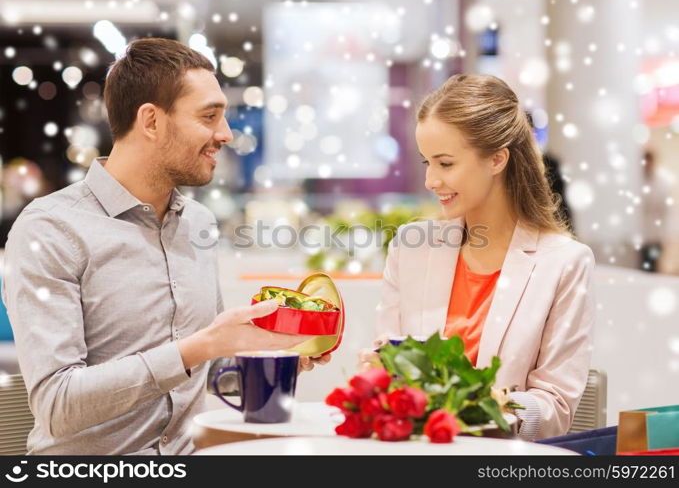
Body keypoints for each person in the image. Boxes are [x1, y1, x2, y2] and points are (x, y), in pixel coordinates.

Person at [1, 38, 327, 455]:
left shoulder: (197, 222)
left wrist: (262, 359)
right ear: (151, 121)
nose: (225, 134)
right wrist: (202, 346)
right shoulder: (50, 229)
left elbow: (201, 375)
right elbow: (58, 405)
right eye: (209, 117)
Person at [363, 74, 596, 441]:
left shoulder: (564, 262)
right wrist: (378, 373)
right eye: (427, 162)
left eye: (445, 163)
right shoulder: (412, 247)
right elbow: (387, 356)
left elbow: (556, 408)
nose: (430, 180)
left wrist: (485, 406)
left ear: (497, 159)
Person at [639, 149, 671, 272]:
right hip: (643, 233)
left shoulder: (661, 182)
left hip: (656, 233)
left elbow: (665, 209)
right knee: (643, 266)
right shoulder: (638, 181)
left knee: (653, 265)